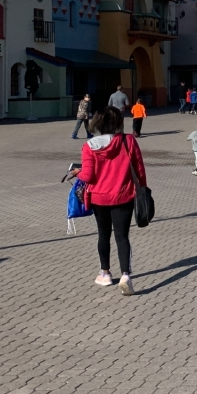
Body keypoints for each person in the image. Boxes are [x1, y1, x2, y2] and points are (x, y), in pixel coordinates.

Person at [70, 106, 145, 296]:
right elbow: (139, 168)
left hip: (98, 198)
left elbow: (88, 175)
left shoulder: (89, 146)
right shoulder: (128, 141)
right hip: (124, 196)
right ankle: (126, 275)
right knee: (122, 236)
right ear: (118, 122)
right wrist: (142, 189)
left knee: (103, 235)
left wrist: (78, 173)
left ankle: (105, 273)